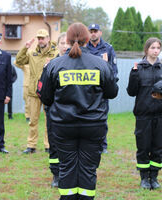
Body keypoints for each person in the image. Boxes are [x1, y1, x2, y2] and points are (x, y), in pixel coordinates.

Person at [37, 23, 118, 199]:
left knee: (66, 168)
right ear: (87, 39)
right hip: (93, 126)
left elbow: (45, 97)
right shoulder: (100, 64)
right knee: (88, 169)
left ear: (67, 40)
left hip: (63, 126)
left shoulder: (54, 65)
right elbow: (112, 92)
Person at [127, 37, 162, 190]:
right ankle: (144, 178)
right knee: (144, 147)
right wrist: (133, 75)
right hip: (143, 115)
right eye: (152, 47)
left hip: (160, 116)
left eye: (158, 47)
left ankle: (154, 177)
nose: (155, 50)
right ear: (146, 50)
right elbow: (131, 92)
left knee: (158, 147)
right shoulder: (138, 68)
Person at [16, 29, 58, 154]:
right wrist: (25, 48)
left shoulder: (55, 53)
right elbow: (19, 61)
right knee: (33, 120)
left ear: (48, 38)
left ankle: (49, 145)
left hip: (49, 92)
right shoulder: (32, 52)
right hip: (34, 92)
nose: (40, 40)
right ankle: (31, 145)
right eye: (39, 38)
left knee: (49, 120)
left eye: (43, 38)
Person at [86, 23, 118, 154]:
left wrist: (109, 87)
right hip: (87, 91)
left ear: (100, 33)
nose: (93, 33)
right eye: (91, 31)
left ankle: (102, 145)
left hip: (102, 91)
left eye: (95, 31)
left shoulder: (108, 49)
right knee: (86, 117)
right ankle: (88, 143)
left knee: (102, 118)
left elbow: (113, 71)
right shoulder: (84, 48)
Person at [43, 32, 69, 188]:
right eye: (62, 43)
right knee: (54, 145)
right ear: (57, 45)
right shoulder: (51, 64)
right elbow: (43, 91)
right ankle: (56, 175)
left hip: (71, 113)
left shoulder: (76, 65)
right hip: (54, 112)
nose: (65, 46)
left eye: (68, 43)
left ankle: (69, 174)